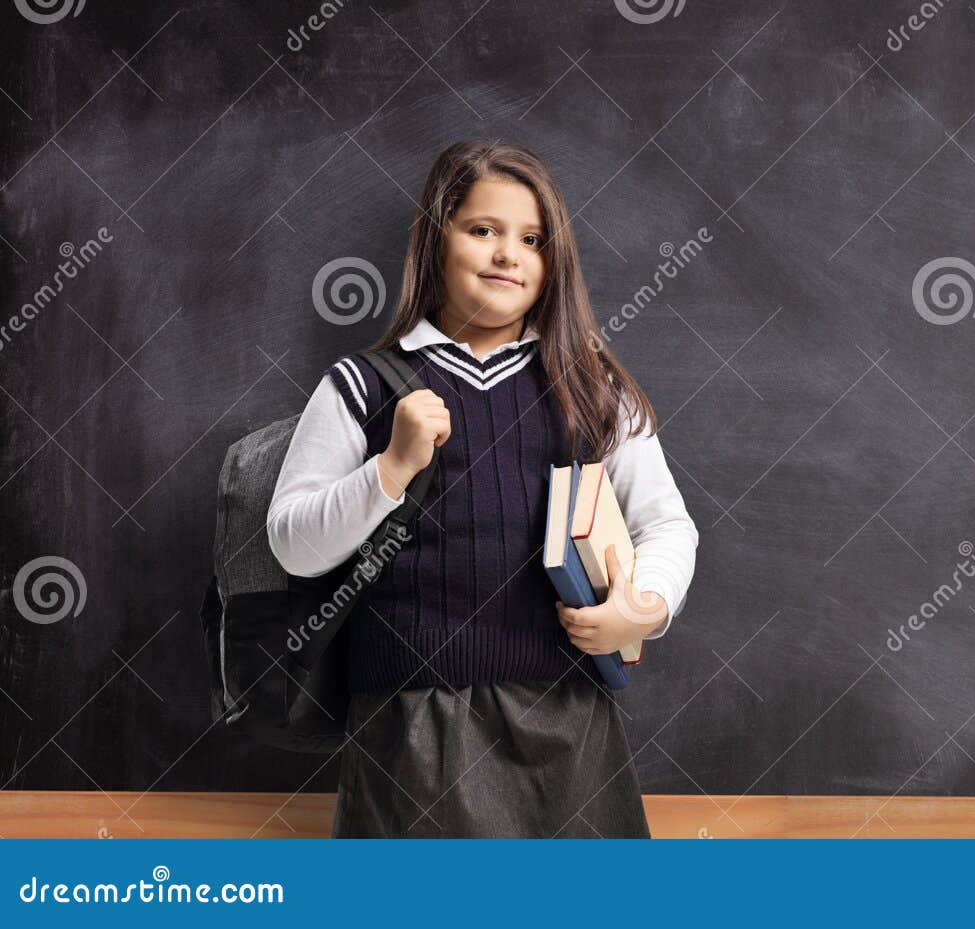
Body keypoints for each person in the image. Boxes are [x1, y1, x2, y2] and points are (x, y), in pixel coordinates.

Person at [266, 139, 699, 838]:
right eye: (483, 230)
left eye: (532, 238)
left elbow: (665, 524)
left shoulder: (591, 387)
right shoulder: (363, 385)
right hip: (412, 721)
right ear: (436, 242)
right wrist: (390, 469)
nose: (508, 254)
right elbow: (292, 542)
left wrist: (642, 608)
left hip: (568, 716)